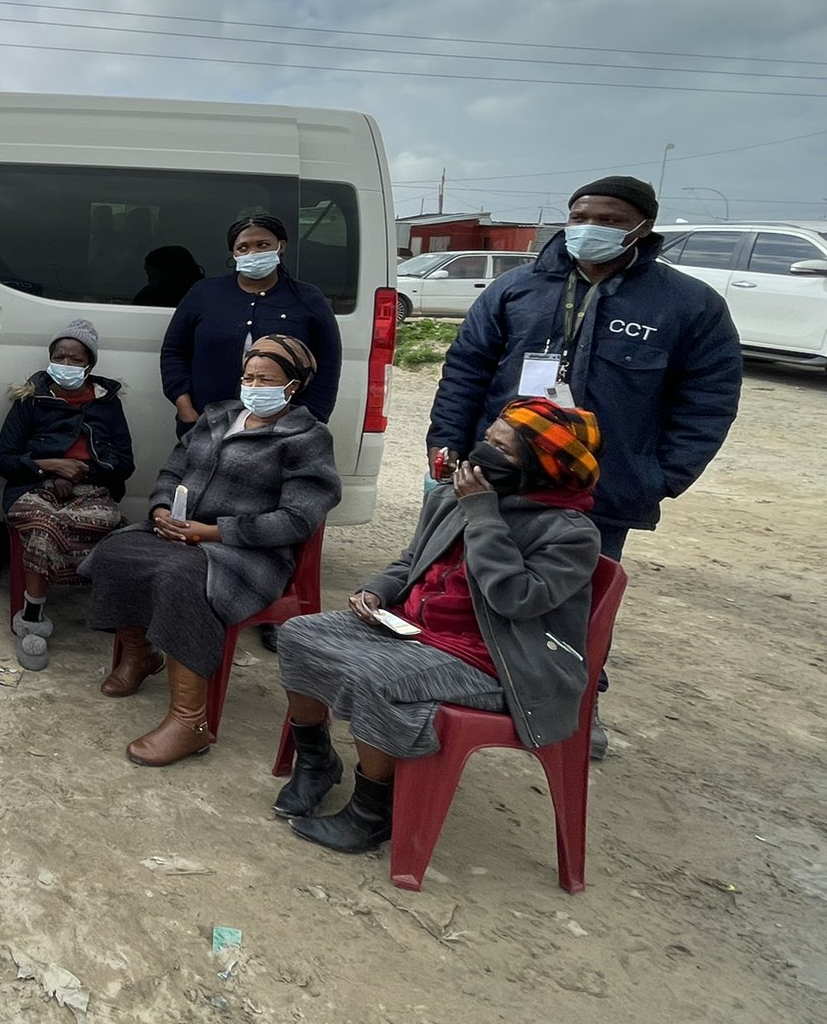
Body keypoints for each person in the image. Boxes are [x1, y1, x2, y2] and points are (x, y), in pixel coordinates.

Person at [427, 175, 741, 759]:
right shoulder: (517, 289)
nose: (590, 227)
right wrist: (446, 440)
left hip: (602, 489)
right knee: (471, 575)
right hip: (500, 473)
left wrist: (661, 476)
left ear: (643, 228)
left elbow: (709, 399)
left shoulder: (688, 305)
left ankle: (577, 705)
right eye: (580, 215)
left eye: (609, 219)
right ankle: (469, 681)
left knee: (578, 601)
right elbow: (466, 367)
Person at [275, 398, 604, 854]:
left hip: (493, 659)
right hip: (415, 628)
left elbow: (516, 599)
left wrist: (484, 514)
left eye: (504, 450)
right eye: (488, 439)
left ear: (541, 465)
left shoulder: (569, 532)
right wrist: (377, 590)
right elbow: (412, 561)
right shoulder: (455, 495)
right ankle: (315, 761)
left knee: (378, 678)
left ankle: (371, 813)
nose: (484, 454)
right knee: (299, 635)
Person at [84, 335, 340, 765]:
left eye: (266, 378)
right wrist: (162, 508)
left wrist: (211, 532)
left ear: (292, 386)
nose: (253, 385)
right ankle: (142, 654)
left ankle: (190, 722)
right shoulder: (219, 415)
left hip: (245, 553)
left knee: (180, 578)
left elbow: (296, 521)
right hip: (183, 533)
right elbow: (172, 469)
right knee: (116, 552)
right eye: (249, 375)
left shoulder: (307, 437)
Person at [0, 319, 136, 670]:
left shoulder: (107, 405)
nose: (66, 365)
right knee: (44, 525)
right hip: (33, 487)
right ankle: (33, 617)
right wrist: (49, 467)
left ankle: (103, 608)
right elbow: (3, 460)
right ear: (50, 358)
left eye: (75, 359)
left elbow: (125, 463)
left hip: (92, 490)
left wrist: (81, 472)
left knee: (109, 522)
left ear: (90, 365)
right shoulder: (29, 400)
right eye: (60, 356)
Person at [161, 214, 342, 430]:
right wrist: (186, 409)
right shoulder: (204, 294)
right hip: (205, 424)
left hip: (282, 432)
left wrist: (309, 421)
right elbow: (174, 352)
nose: (253, 253)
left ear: (281, 247)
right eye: (243, 248)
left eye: (263, 245)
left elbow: (327, 365)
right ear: (233, 253)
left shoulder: (308, 299)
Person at [132, 245, 205, 308]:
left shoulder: (149, 297)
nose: (150, 280)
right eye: (149, 274)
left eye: (153, 275)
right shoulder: (207, 296)